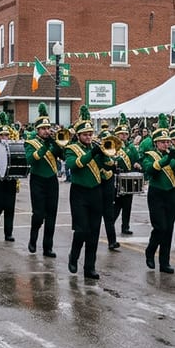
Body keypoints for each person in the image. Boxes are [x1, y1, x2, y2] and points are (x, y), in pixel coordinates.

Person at [65, 109, 111, 279]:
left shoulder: (96, 147)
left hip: (96, 192)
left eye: (90, 133)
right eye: (85, 134)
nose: (89, 137)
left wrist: (109, 161)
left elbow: (106, 166)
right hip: (79, 193)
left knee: (94, 232)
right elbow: (73, 165)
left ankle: (89, 267)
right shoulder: (71, 148)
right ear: (78, 135)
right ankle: (74, 256)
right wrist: (92, 153)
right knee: (81, 230)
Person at [26, 103, 64, 258]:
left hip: (51, 181)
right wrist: (46, 146)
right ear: (37, 130)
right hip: (37, 180)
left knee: (51, 215)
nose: (47, 131)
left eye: (48, 128)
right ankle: (33, 239)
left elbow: (62, 156)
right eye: (44, 129)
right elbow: (31, 159)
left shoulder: (52, 142)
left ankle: (48, 246)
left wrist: (58, 143)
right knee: (38, 214)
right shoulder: (30, 143)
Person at [143, 128, 175, 274]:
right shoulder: (149, 155)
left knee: (169, 229)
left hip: (171, 193)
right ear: (156, 143)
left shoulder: (171, 154)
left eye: (167, 142)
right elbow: (150, 170)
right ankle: (150, 250)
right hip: (156, 193)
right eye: (163, 142)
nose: (166, 144)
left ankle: (164, 262)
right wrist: (167, 158)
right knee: (160, 227)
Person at [109, 117, 141, 236]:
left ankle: (125, 226)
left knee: (128, 204)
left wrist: (138, 164)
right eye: (121, 134)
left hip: (129, 177)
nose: (124, 136)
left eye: (126, 133)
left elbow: (137, 159)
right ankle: (110, 224)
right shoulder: (113, 146)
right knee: (117, 203)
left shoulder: (131, 147)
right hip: (117, 177)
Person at [0, 126, 19, 241]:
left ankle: (8, 234)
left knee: (10, 207)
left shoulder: (13, 147)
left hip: (10, 181)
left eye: (6, 135)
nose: (4, 137)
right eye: (2, 135)